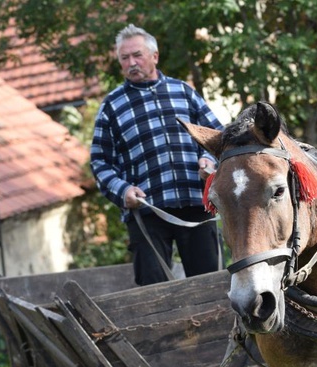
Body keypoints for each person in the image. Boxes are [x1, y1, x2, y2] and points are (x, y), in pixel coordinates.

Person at [90, 24, 224, 286]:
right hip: (147, 212)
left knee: (213, 284)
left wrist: (211, 160)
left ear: (154, 56)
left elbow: (218, 137)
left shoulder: (183, 92)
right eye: (124, 58)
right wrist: (122, 190)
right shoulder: (112, 106)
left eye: (137, 55)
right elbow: (99, 161)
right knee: (154, 292)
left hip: (196, 203)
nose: (131, 63)